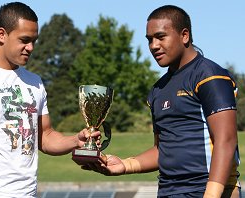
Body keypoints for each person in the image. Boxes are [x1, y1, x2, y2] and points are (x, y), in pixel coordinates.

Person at [84, 5, 241, 198]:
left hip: (209, 191)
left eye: (160, 37)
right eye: (149, 40)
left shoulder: (209, 75)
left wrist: (212, 194)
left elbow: (226, 140)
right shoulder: (157, 90)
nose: (153, 46)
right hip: (168, 192)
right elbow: (162, 150)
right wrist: (126, 164)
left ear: (184, 36)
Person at [0, 2, 100, 198]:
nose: (31, 47)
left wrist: (75, 140)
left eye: (34, 41)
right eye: (24, 40)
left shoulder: (35, 83)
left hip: (26, 193)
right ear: (2, 35)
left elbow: (45, 136)